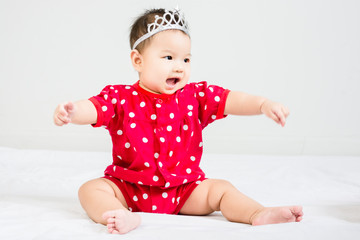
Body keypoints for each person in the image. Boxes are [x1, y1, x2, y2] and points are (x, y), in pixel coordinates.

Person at [53, 8, 303, 234]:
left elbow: (231, 99)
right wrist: (74, 112)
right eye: (168, 58)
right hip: (130, 188)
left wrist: (262, 104)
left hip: (184, 190)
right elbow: (95, 109)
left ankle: (256, 213)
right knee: (90, 189)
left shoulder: (195, 97)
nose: (180, 67)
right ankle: (119, 214)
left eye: (186, 59)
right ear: (138, 61)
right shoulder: (121, 98)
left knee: (221, 189)